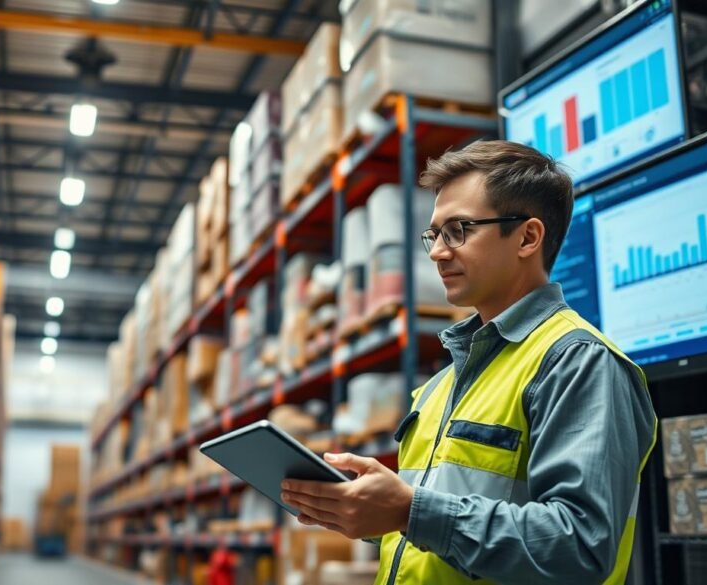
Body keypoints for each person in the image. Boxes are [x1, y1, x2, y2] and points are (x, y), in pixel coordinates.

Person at [279, 141, 657, 585]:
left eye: (458, 230)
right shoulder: (442, 384)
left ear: (527, 237)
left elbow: (579, 546)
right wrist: (362, 509)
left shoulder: (577, 364)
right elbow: (438, 530)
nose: (438, 251)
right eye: (434, 234)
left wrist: (409, 509)